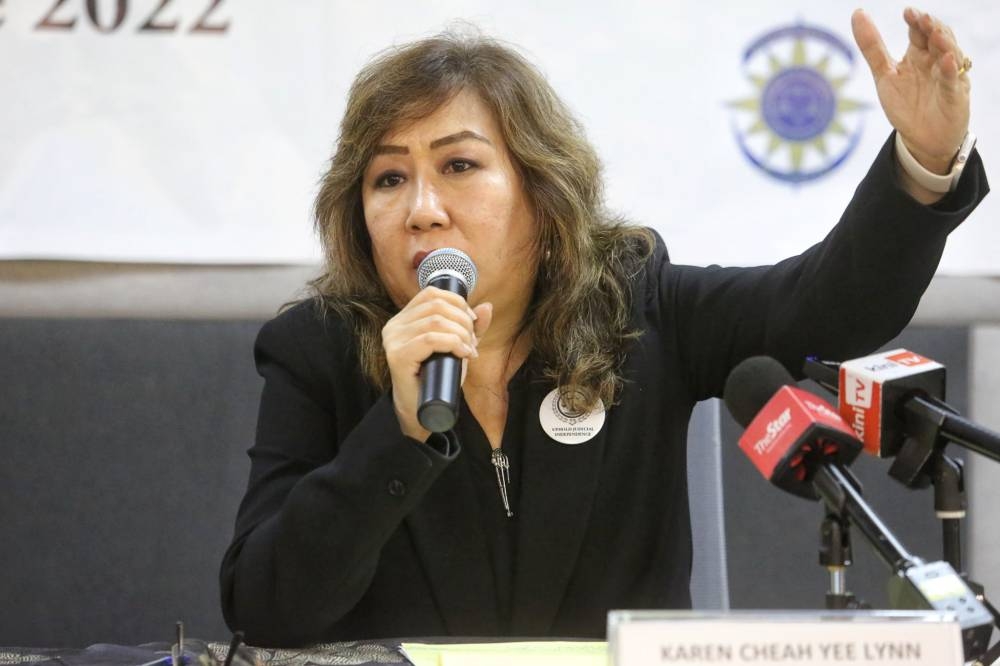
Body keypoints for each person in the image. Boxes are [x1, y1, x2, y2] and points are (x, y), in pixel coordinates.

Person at [220, 8, 988, 647]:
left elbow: (829, 307)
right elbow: (265, 607)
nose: (422, 207)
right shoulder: (317, 350)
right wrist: (396, 427)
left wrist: (923, 160)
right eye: (389, 178)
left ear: (543, 194)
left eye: (458, 166)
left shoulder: (638, 311)